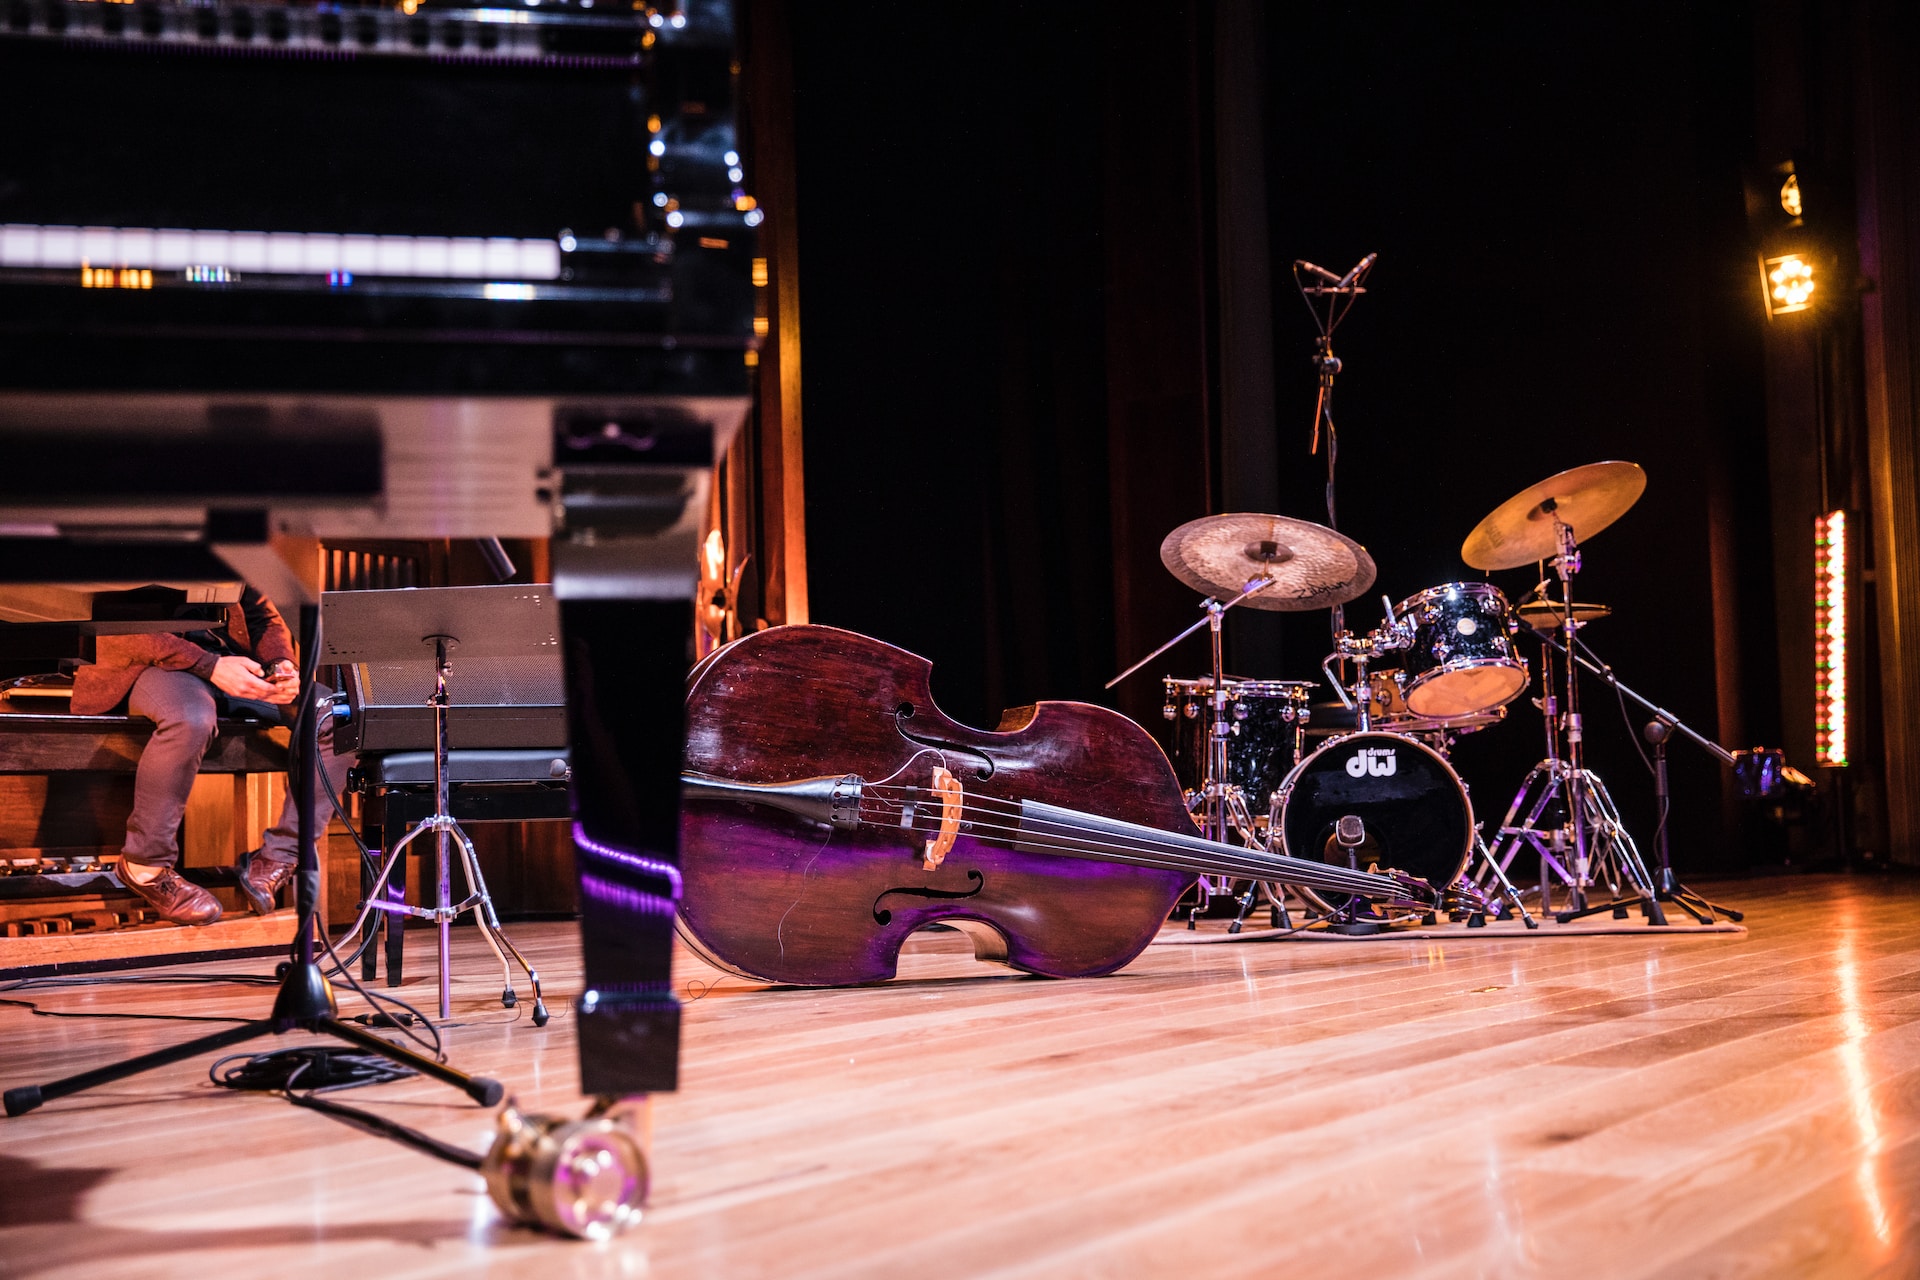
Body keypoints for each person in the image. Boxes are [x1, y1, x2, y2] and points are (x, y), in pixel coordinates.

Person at [70, 586, 352, 926]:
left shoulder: (228, 538)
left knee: (339, 717)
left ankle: (279, 856)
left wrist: (282, 665)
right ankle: (145, 866)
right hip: (146, 664)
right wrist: (209, 665)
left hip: (227, 663)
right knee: (190, 719)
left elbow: (261, 613)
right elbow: (108, 623)